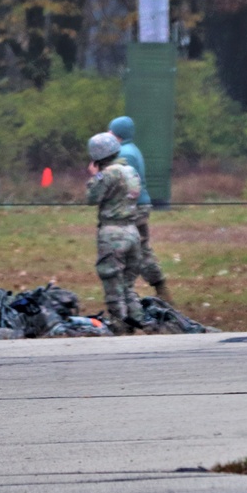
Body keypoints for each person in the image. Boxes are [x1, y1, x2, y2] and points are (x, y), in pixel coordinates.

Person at [85, 132, 145, 335]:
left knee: (112, 281)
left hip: (113, 233)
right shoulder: (130, 171)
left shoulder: (108, 173)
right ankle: (138, 319)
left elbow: (92, 197)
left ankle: (120, 325)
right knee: (128, 283)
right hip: (132, 231)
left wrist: (95, 176)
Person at [108, 116, 171, 304]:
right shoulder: (131, 150)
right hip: (139, 206)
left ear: (118, 134)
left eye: (111, 132)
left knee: (128, 251)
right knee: (141, 249)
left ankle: (128, 294)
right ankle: (159, 288)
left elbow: (124, 184)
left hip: (132, 208)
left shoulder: (124, 154)